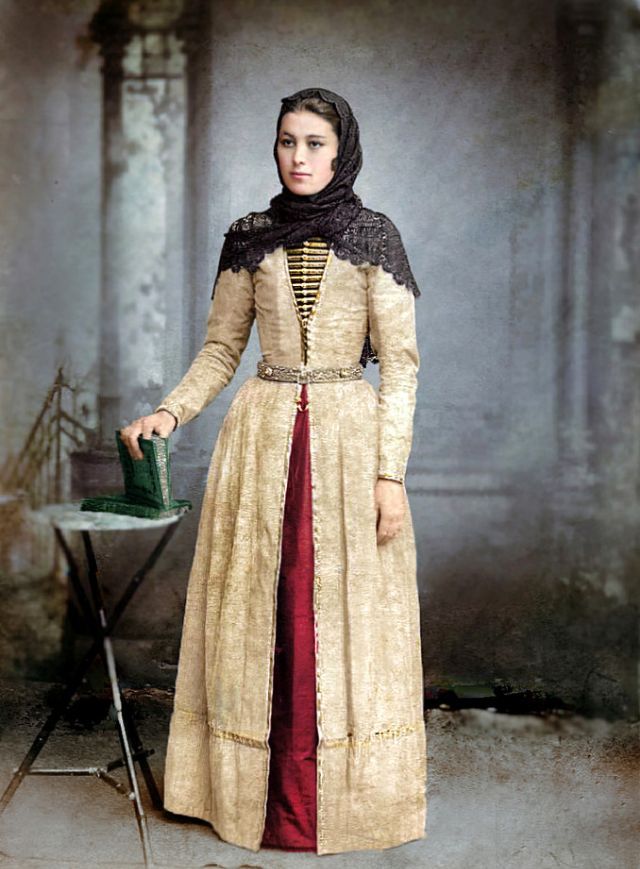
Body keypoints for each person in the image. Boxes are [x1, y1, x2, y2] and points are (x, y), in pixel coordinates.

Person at [119, 87, 426, 856]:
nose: (299, 157)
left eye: (315, 143)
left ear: (341, 148)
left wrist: (389, 473)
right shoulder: (248, 237)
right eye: (287, 141)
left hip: (348, 446)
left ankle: (344, 806)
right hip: (260, 446)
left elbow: (402, 365)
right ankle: (245, 797)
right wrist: (170, 412)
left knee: (335, 614)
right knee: (265, 610)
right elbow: (223, 349)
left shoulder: (374, 236)